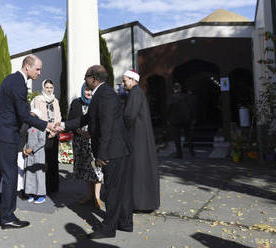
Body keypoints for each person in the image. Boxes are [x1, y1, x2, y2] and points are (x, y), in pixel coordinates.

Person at [0, 54, 57, 229]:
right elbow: (23, 114)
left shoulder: (9, 79)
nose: (40, 72)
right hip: (6, 135)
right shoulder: (19, 84)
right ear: (27, 67)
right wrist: (47, 125)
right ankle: (7, 217)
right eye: (37, 69)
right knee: (9, 175)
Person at [59, 65, 133, 239]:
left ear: (93, 78)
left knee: (113, 191)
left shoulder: (104, 94)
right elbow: (87, 118)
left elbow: (106, 127)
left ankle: (108, 229)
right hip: (117, 150)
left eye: (86, 77)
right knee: (120, 189)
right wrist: (63, 125)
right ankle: (125, 223)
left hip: (113, 152)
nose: (85, 80)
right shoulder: (102, 93)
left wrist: (102, 155)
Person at [122, 70, 160, 212]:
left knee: (138, 170)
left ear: (132, 80)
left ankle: (139, 203)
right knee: (142, 169)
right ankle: (144, 203)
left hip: (137, 138)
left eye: (125, 80)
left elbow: (129, 116)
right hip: (140, 137)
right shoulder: (137, 93)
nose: (123, 83)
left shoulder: (135, 93)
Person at [68, 83, 103, 209]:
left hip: (94, 142)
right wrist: (79, 131)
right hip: (80, 142)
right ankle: (89, 195)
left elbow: (102, 122)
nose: (88, 93)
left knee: (96, 169)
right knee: (85, 169)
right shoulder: (76, 103)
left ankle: (97, 196)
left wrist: (93, 134)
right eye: (86, 90)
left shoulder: (98, 103)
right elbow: (70, 120)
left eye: (90, 90)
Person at [30, 79, 61, 195]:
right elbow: (37, 117)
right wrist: (48, 129)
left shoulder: (55, 101)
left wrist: (55, 130)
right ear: (43, 88)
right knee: (43, 161)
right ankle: (43, 187)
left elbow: (58, 117)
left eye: (51, 88)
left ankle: (53, 187)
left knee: (53, 161)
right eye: (47, 87)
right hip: (43, 133)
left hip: (54, 133)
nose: (49, 90)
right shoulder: (38, 100)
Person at [24, 109, 47, 204]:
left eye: (32, 115)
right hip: (29, 154)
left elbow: (42, 141)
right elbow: (26, 140)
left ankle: (41, 195)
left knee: (38, 174)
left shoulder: (41, 127)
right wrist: (25, 149)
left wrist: (32, 149)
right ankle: (31, 193)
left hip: (38, 154)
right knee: (29, 173)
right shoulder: (29, 127)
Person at [167, 83, 195, 158]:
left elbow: (168, 109)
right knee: (188, 136)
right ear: (180, 89)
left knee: (177, 138)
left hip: (175, 120)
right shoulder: (186, 96)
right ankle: (192, 152)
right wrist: (192, 117)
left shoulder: (171, 98)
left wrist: (168, 119)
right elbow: (191, 107)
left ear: (174, 89)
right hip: (186, 119)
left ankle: (179, 153)